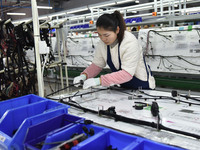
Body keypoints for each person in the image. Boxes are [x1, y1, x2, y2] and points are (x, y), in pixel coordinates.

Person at [73, 10, 155, 90]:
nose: (103, 38)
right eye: (100, 35)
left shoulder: (129, 41)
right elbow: (97, 65)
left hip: (142, 87)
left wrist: (99, 81)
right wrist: (84, 75)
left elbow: (127, 74)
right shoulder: (103, 43)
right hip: (124, 87)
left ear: (117, 30)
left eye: (106, 35)